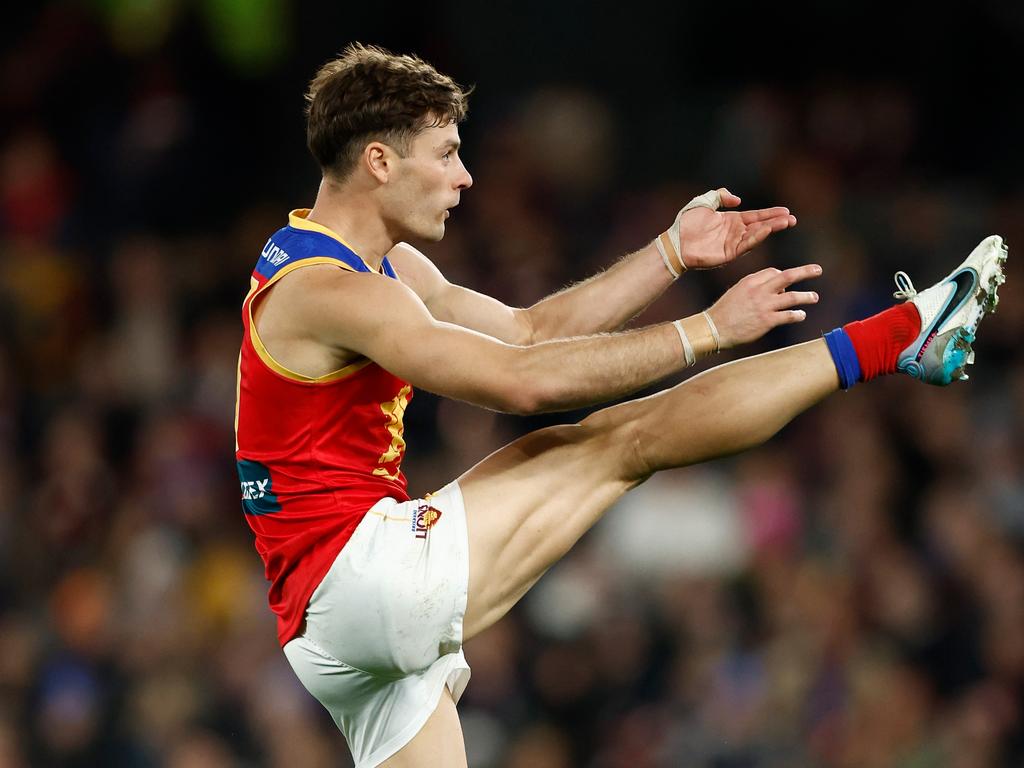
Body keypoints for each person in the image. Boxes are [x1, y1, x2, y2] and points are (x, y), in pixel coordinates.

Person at [233, 43, 1007, 768]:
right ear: (378, 161)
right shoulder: (333, 291)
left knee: (612, 440)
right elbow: (519, 382)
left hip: (326, 627)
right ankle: (903, 337)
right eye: (446, 154)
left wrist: (670, 253)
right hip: (365, 577)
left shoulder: (371, 263)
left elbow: (528, 328)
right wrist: (707, 329)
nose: (464, 176)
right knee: (622, 440)